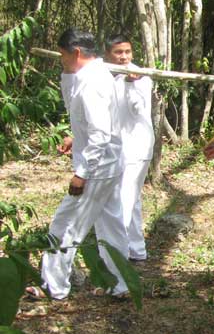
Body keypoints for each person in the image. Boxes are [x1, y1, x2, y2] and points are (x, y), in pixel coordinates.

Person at [26, 28, 129, 300]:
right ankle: (120, 283)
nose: (61, 60)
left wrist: (81, 174)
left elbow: (100, 134)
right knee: (111, 226)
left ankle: (54, 286)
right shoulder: (91, 76)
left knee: (66, 224)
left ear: (77, 53)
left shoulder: (92, 82)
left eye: (63, 54)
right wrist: (76, 136)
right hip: (111, 163)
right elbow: (94, 121)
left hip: (97, 168)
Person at [104, 34, 154, 261]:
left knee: (125, 198)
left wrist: (132, 83)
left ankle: (117, 256)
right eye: (118, 52)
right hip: (116, 146)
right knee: (130, 198)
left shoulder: (142, 77)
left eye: (127, 52)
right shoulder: (102, 75)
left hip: (137, 146)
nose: (124, 57)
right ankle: (136, 250)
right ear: (108, 54)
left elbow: (137, 108)